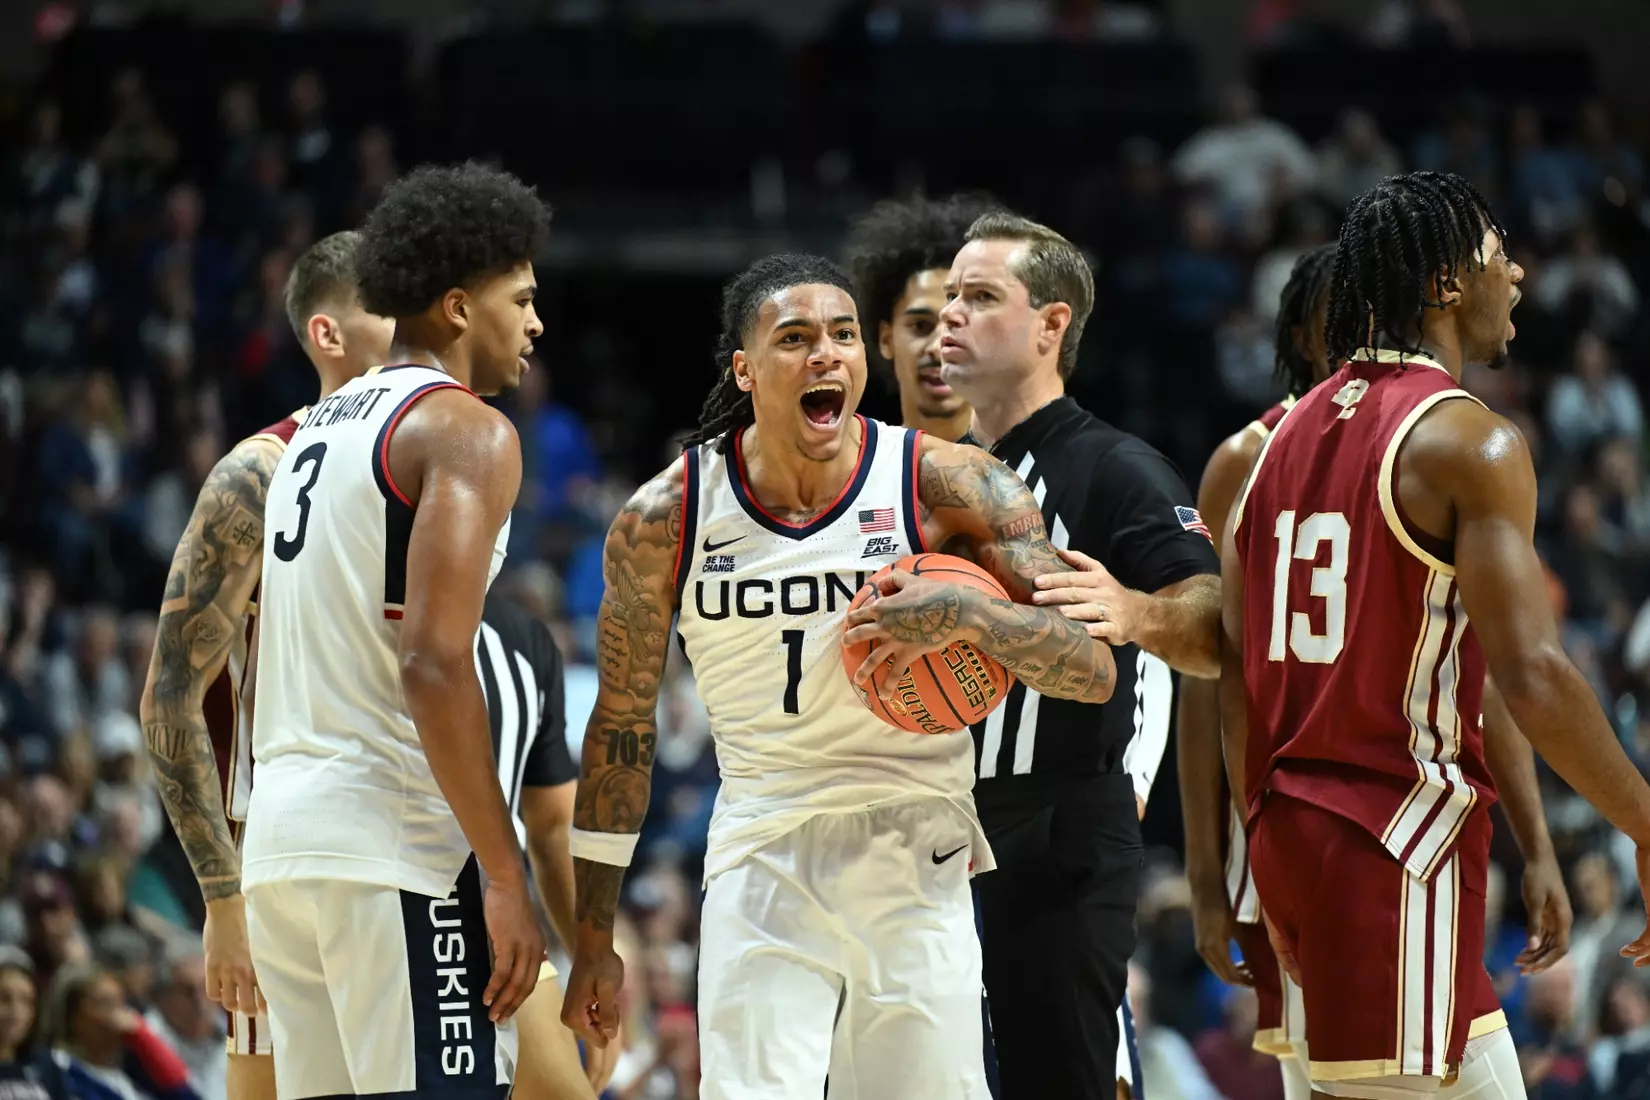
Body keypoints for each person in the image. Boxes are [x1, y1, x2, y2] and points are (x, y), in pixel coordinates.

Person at [558, 252, 1119, 1099]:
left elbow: (1093, 671)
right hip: (761, 846)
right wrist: (592, 937)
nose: (826, 354)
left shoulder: (949, 484)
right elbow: (623, 730)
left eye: (844, 335)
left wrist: (971, 615)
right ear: (744, 369)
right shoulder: (665, 517)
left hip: (915, 841)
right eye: (795, 338)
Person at [1221, 170, 1650, 1098]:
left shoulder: (1274, 443)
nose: (1523, 276)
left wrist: (1264, 842)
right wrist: (1642, 819)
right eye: (1502, 258)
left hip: (1312, 843)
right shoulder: (1470, 442)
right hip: (1389, 847)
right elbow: (1533, 674)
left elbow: (1237, 678)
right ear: (1449, 284)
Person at [1180, 242, 1574, 1100]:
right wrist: (1211, 878)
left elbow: (1490, 672)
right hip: (1319, 824)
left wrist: (1534, 843)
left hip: (1392, 830)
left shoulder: (1427, 442)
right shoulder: (1258, 456)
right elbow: (1215, 677)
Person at [240, 162, 549, 1100]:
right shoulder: (463, 429)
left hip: (285, 850)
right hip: (395, 846)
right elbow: (432, 659)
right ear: (458, 307)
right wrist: (504, 872)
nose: (536, 323)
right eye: (522, 298)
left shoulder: (310, 433)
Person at [931, 210, 1219, 1100]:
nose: (951, 317)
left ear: (1052, 325)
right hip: (931, 827)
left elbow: (1213, 624)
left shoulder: (1117, 468)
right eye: (948, 297)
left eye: (980, 297)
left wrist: (1134, 611)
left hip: (1060, 828)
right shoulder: (930, 472)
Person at [138, 229, 391, 1100]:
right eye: (390, 305)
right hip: (286, 849)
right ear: (329, 334)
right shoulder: (262, 470)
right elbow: (169, 697)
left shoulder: (442, 454)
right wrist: (221, 899)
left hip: (413, 837)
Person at [845, 192, 1000, 443]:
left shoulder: (1031, 474)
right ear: (886, 339)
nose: (940, 348)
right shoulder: (849, 475)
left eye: (960, 324)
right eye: (920, 326)